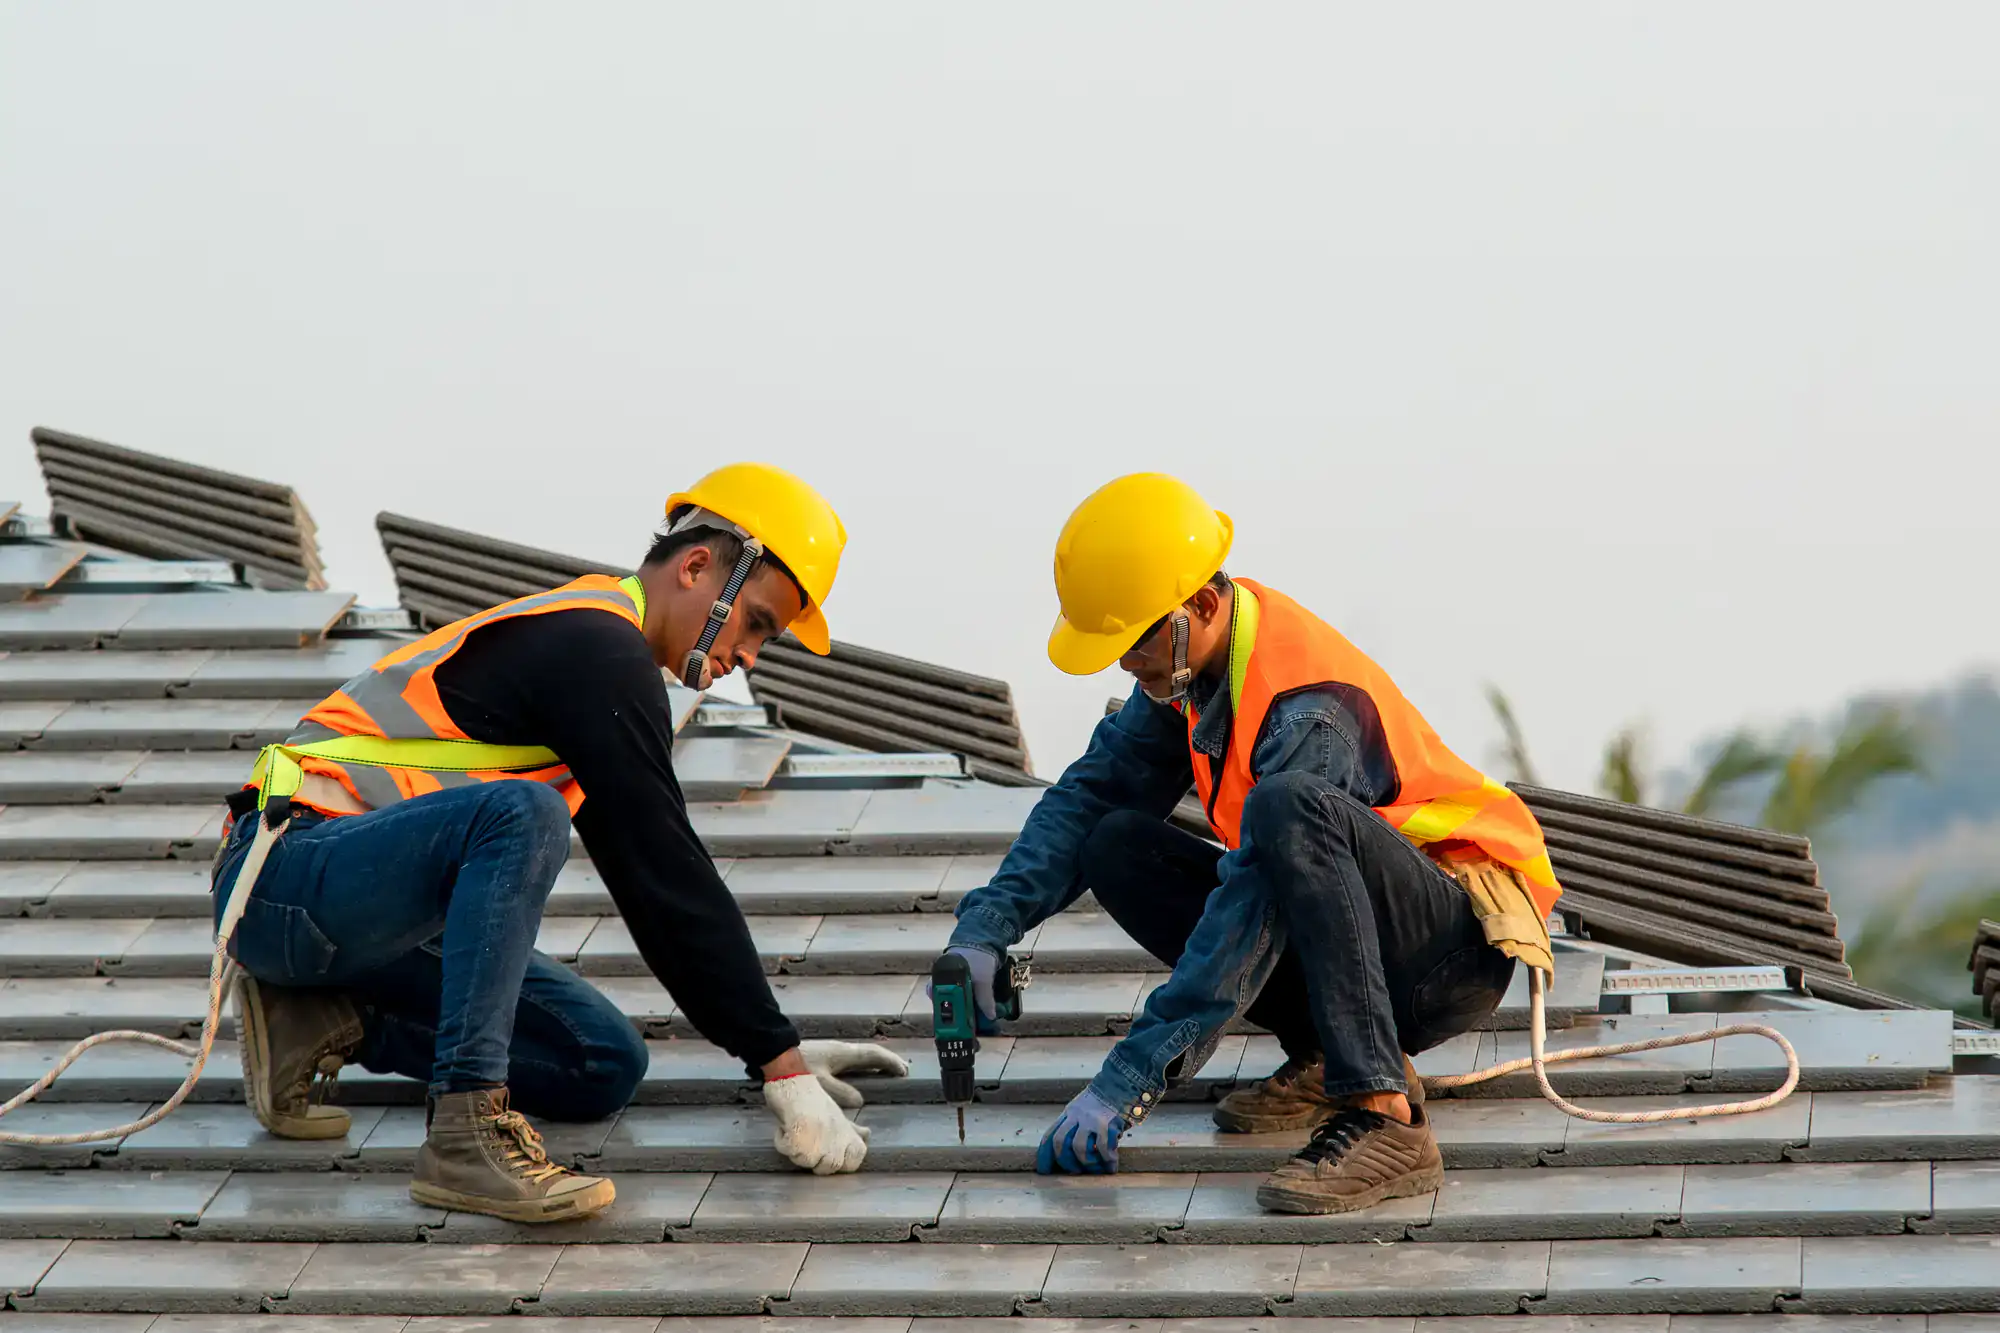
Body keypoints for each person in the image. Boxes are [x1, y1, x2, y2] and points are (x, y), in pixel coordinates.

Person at [211, 463, 905, 1224]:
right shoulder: (597, 649)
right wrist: (778, 1062)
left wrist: (778, 1052)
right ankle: (465, 1136)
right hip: (283, 874)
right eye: (758, 623)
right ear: (699, 566)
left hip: (355, 915)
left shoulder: (599, 664)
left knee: (601, 1059)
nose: (748, 657)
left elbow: (652, 882)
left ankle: (320, 1017)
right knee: (526, 813)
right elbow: (665, 868)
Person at [941, 473, 1561, 1215]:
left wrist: (1130, 1078)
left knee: (1286, 806)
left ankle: (1384, 1113)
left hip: (1451, 949)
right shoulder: (1193, 667)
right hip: (1362, 946)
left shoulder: (1309, 712)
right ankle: (1334, 1049)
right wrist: (987, 925)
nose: (1124, 662)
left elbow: (1251, 903)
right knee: (1115, 842)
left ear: (1201, 604)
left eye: (1134, 637)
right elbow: (1090, 796)